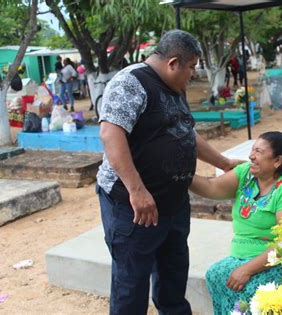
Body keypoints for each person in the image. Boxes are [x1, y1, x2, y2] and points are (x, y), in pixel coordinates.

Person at [96, 29, 242, 315]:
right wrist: (137, 191)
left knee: (173, 277)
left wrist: (224, 163)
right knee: (131, 284)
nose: (192, 75)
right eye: (190, 68)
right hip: (132, 205)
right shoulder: (131, 82)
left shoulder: (175, 88)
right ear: (173, 62)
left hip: (172, 203)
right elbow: (110, 134)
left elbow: (186, 133)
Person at [190, 131, 282, 314]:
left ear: (277, 161)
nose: (251, 156)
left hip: (274, 263)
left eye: (259, 152)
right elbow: (211, 187)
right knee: (215, 274)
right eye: (252, 150)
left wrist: (247, 269)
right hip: (238, 257)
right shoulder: (246, 174)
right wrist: (179, 174)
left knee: (252, 289)